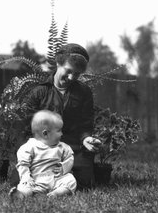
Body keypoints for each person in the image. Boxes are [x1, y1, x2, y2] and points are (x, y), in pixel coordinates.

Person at [19, 43, 101, 190]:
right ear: (58, 63)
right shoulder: (39, 92)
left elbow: (85, 123)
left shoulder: (84, 92)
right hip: (43, 146)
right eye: (68, 71)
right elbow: (27, 125)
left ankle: (51, 181)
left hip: (72, 147)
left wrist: (86, 138)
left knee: (84, 181)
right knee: (18, 179)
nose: (71, 77)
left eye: (77, 74)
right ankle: (51, 179)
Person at [9, 110, 77, 199]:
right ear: (45, 133)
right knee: (24, 185)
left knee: (70, 179)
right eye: (59, 131)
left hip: (56, 179)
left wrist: (63, 168)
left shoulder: (62, 147)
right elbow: (23, 164)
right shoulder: (30, 146)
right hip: (35, 180)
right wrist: (26, 177)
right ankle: (21, 194)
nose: (62, 133)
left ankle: (57, 193)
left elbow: (70, 158)